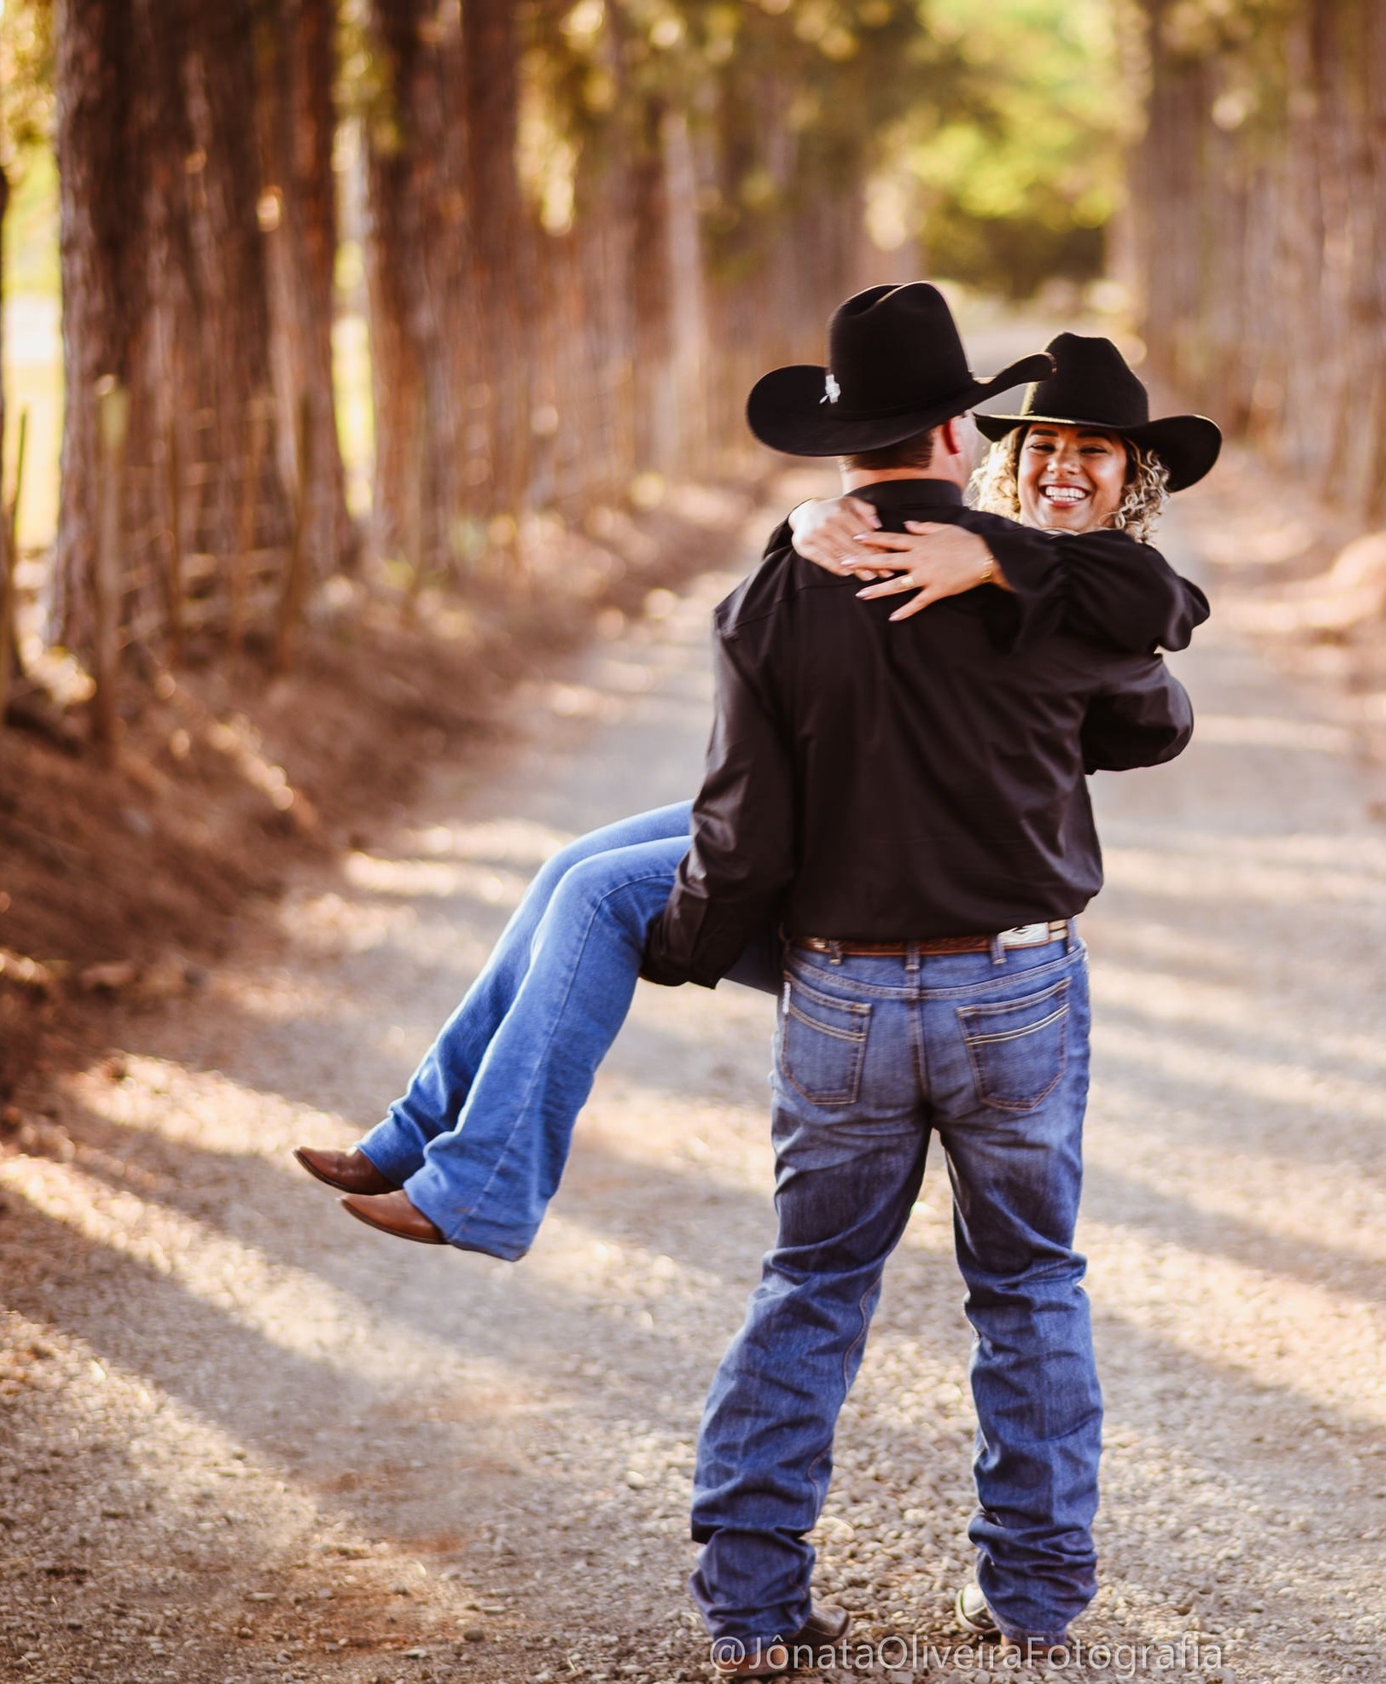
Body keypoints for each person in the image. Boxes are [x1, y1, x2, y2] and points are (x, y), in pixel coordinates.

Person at [289, 323, 1216, 1265]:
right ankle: (414, 1132)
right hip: (836, 822)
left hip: (895, 885)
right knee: (573, 863)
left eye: (1090, 450)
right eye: (1042, 447)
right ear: (988, 453)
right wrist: (804, 524)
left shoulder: (1076, 576)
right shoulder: (968, 540)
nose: (1061, 466)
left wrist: (694, 936)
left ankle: (479, 1185)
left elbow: (1160, 636)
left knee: (602, 897)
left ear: (1134, 475)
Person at [650, 287, 1208, 1681]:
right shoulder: (1034, 575)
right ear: (962, 430)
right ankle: (1032, 1596)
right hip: (1015, 984)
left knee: (813, 1281)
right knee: (1027, 1286)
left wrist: (687, 941)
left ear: (844, 447)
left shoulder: (769, 599)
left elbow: (741, 830)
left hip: (841, 993)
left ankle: (754, 1606)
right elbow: (1153, 683)